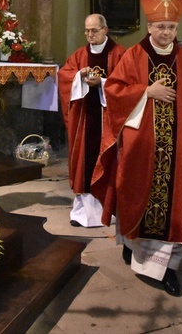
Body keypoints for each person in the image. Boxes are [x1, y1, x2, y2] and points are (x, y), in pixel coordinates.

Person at [92, 0, 182, 297]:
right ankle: (130, 243)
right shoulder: (134, 57)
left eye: (172, 27)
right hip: (141, 149)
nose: (166, 32)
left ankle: (167, 269)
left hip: (178, 152)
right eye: (161, 26)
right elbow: (114, 90)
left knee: (175, 208)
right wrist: (145, 91)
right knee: (134, 198)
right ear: (150, 27)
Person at [57, 14, 125, 228]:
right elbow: (64, 75)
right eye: (87, 31)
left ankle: (108, 210)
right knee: (84, 163)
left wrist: (102, 83)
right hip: (85, 120)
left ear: (105, 30)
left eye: (94, 30)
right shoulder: (80, 55)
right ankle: (82, 213)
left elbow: (127, 85)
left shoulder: (120, 54)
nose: (89, 35)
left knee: (107, 161)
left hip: (109, 122)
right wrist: (79, 76)